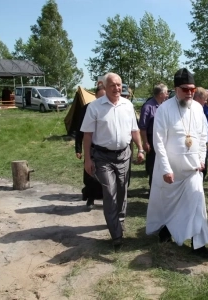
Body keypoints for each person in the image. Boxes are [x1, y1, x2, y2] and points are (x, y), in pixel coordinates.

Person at [146, 68, 208, 258]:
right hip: (171, 170)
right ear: (176, 89)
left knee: (197, 205)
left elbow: (202, 136)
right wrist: (166, 169)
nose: (190, 93)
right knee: (169, 205)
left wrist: (200, 159)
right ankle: (167, 229)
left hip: (192, 169)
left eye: (192, 89)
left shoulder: (198, 108)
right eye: (185, 89)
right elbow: (158, 141)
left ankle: (198, 244)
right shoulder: (164, 110)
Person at [81, 72, 145, 248]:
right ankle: (116, 234)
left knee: (123, 189)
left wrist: (140, 148)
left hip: (124, 154)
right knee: (109, 192)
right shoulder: (94, 107)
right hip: (102, 157)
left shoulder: (127, 105)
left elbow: (134, 130)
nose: (117, 88)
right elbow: (87, 135)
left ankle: (120, 220)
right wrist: (87, 159)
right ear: (105, 86)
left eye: (119, 85)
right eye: (113, 85)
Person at [75, 85, 105, 209]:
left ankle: (104, 198)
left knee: (104, 176)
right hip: (92, 147)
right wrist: (78, 149)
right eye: (101, 96)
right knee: (90, 175)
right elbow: (80, 131)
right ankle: (90, 198)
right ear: (96, 96)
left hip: (105, 148)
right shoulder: (87, 108)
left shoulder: (110, 109)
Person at [138, 83, 168, 188]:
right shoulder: (148, 107)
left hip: (163, 139)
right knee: (153, 165)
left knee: (162, 163)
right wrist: (145, 142)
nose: (168, 95)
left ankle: (161, 187)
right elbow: (142, 127)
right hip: (152, 139)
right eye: (166, 92)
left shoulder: (163, 105)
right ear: (161, 94)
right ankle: (152, 188)